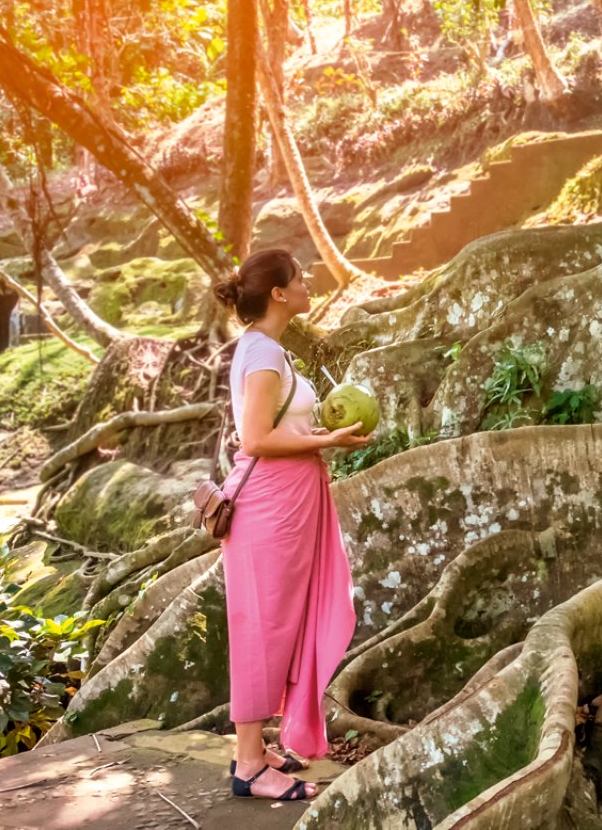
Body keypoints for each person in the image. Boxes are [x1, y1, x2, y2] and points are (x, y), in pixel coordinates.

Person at [211, 249, 371, 801]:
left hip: (292, 504)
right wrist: (328, 441)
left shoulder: (270, 350)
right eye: (300, 278)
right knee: (262, 627)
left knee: (285, 623)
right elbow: (254, 438)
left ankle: (256, 748)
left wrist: (324, 429)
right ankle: (250, 767)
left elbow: (267, 429)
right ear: (279, 293)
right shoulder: (261, 353)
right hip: (270, 508)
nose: (309, 283)